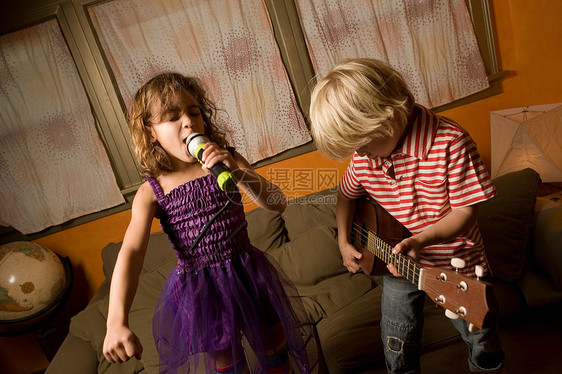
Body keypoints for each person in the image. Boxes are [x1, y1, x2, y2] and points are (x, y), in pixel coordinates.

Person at [102, 72, 317, 374]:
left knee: (276, 355)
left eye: (194, 112)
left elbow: (277, 202)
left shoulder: (226, 158)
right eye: (172, 117)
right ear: (150, 132)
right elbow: (131, 254)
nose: (188, 122)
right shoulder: (152, 191)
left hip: (248, 274)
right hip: (203, 291)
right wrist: (116, 322)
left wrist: (239, 172)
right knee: (228, 367)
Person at [308, 58, 505, 373]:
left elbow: (466, 211)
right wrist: (344, 241)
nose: (359, 155)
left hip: (456, 264)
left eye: (362, 145)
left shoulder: (450, 142)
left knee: (481, 339)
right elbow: (346, 196)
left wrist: (422, 239)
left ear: (388, 117)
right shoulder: (364, 159)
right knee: (396, 340)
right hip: (399, 264)